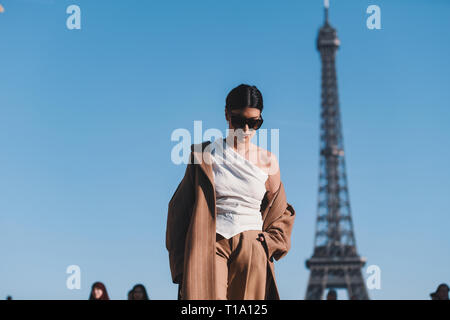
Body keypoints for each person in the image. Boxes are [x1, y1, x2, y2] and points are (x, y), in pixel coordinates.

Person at [166, 84, 296, 300]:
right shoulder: (203, 155)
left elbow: (282, 211)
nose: (246, 129)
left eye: (254, 123)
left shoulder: (268, 161)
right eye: (239, 121)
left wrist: (271, 242)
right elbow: (179, 209)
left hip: (253, 244)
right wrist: (180, 264)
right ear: (226, 114)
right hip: (211, 242)